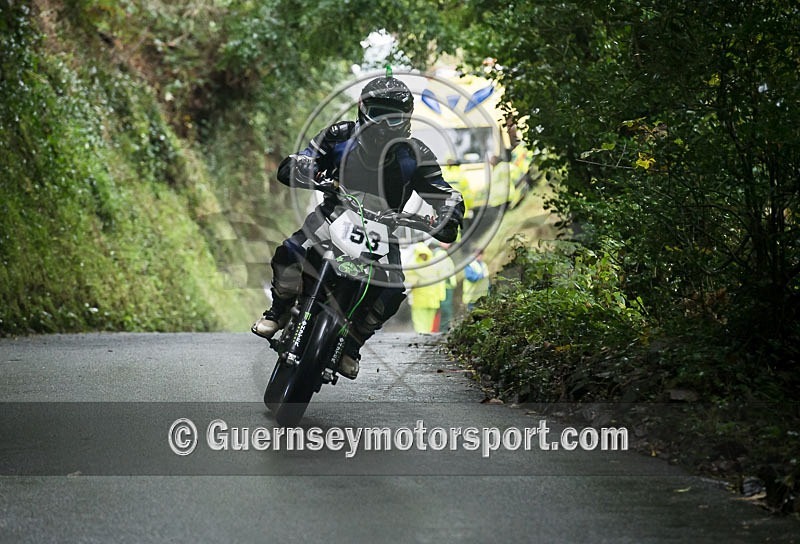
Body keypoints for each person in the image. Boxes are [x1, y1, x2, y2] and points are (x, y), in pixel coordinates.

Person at [251, 76, 465, 379]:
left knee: (392, 289)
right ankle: (280, 309)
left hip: (385, 228)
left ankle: (351, 346)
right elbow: (301, 160)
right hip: (334, 212)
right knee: (291, 251)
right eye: (379, 112)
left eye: (394, 117)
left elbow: (445, 194)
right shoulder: (338, 136)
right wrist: (308, 172)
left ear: (406, 120)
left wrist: (448, 216)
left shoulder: (416, 154)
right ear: (363, 109)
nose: (384, 123)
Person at [404, 243, 445, 334]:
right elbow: (409, 278)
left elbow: (440, 281)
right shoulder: (415, 265)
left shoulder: (430, 265)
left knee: (427, 316)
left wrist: (441, 295)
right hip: (422, 297)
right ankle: (421, 332)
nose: (423, 256)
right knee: (420, 316)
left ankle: (424, 333)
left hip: (430, 297)